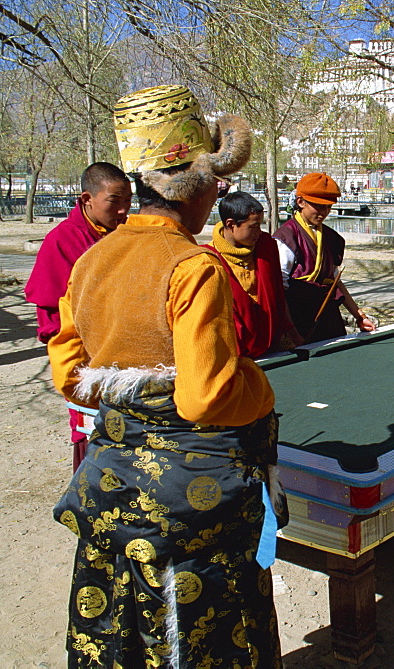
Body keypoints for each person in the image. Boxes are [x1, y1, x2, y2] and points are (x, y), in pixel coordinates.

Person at [47, 85, 282, 666]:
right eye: (216, 183)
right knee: (193, 634)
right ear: (197, 186)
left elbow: (70, 376)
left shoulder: (90, 261)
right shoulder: (192, 265)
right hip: (187, 497)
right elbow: (206, 396)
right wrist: (258, 384)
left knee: (115, 626)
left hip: (110, 479)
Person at [24, 162, 132, 471]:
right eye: (114, 201)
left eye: (128, 200)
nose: (124, 210)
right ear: (87, 199)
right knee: (97, 446)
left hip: (130, 361)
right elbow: (52, 320)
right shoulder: (62, 241)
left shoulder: (125, 235)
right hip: (91, 364)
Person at [273, 172, 376, 342]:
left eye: (328, 207)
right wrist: (289, 330)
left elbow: (335, 280)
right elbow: (278, 287)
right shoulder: (286, 237)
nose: (324, 212)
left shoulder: (328, 236)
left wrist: (359, 316)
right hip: (296, 314)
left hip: (327, 312)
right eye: (319, 206)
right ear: (300, 202)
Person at [204, 191, 302, 357]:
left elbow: (277, 294)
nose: (259, 232)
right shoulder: (207, 260)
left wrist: (291, 332)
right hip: (235, 353)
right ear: (230, 224)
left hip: (272, 345)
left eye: (260, 225)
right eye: (253, 227)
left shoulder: (266, 246)